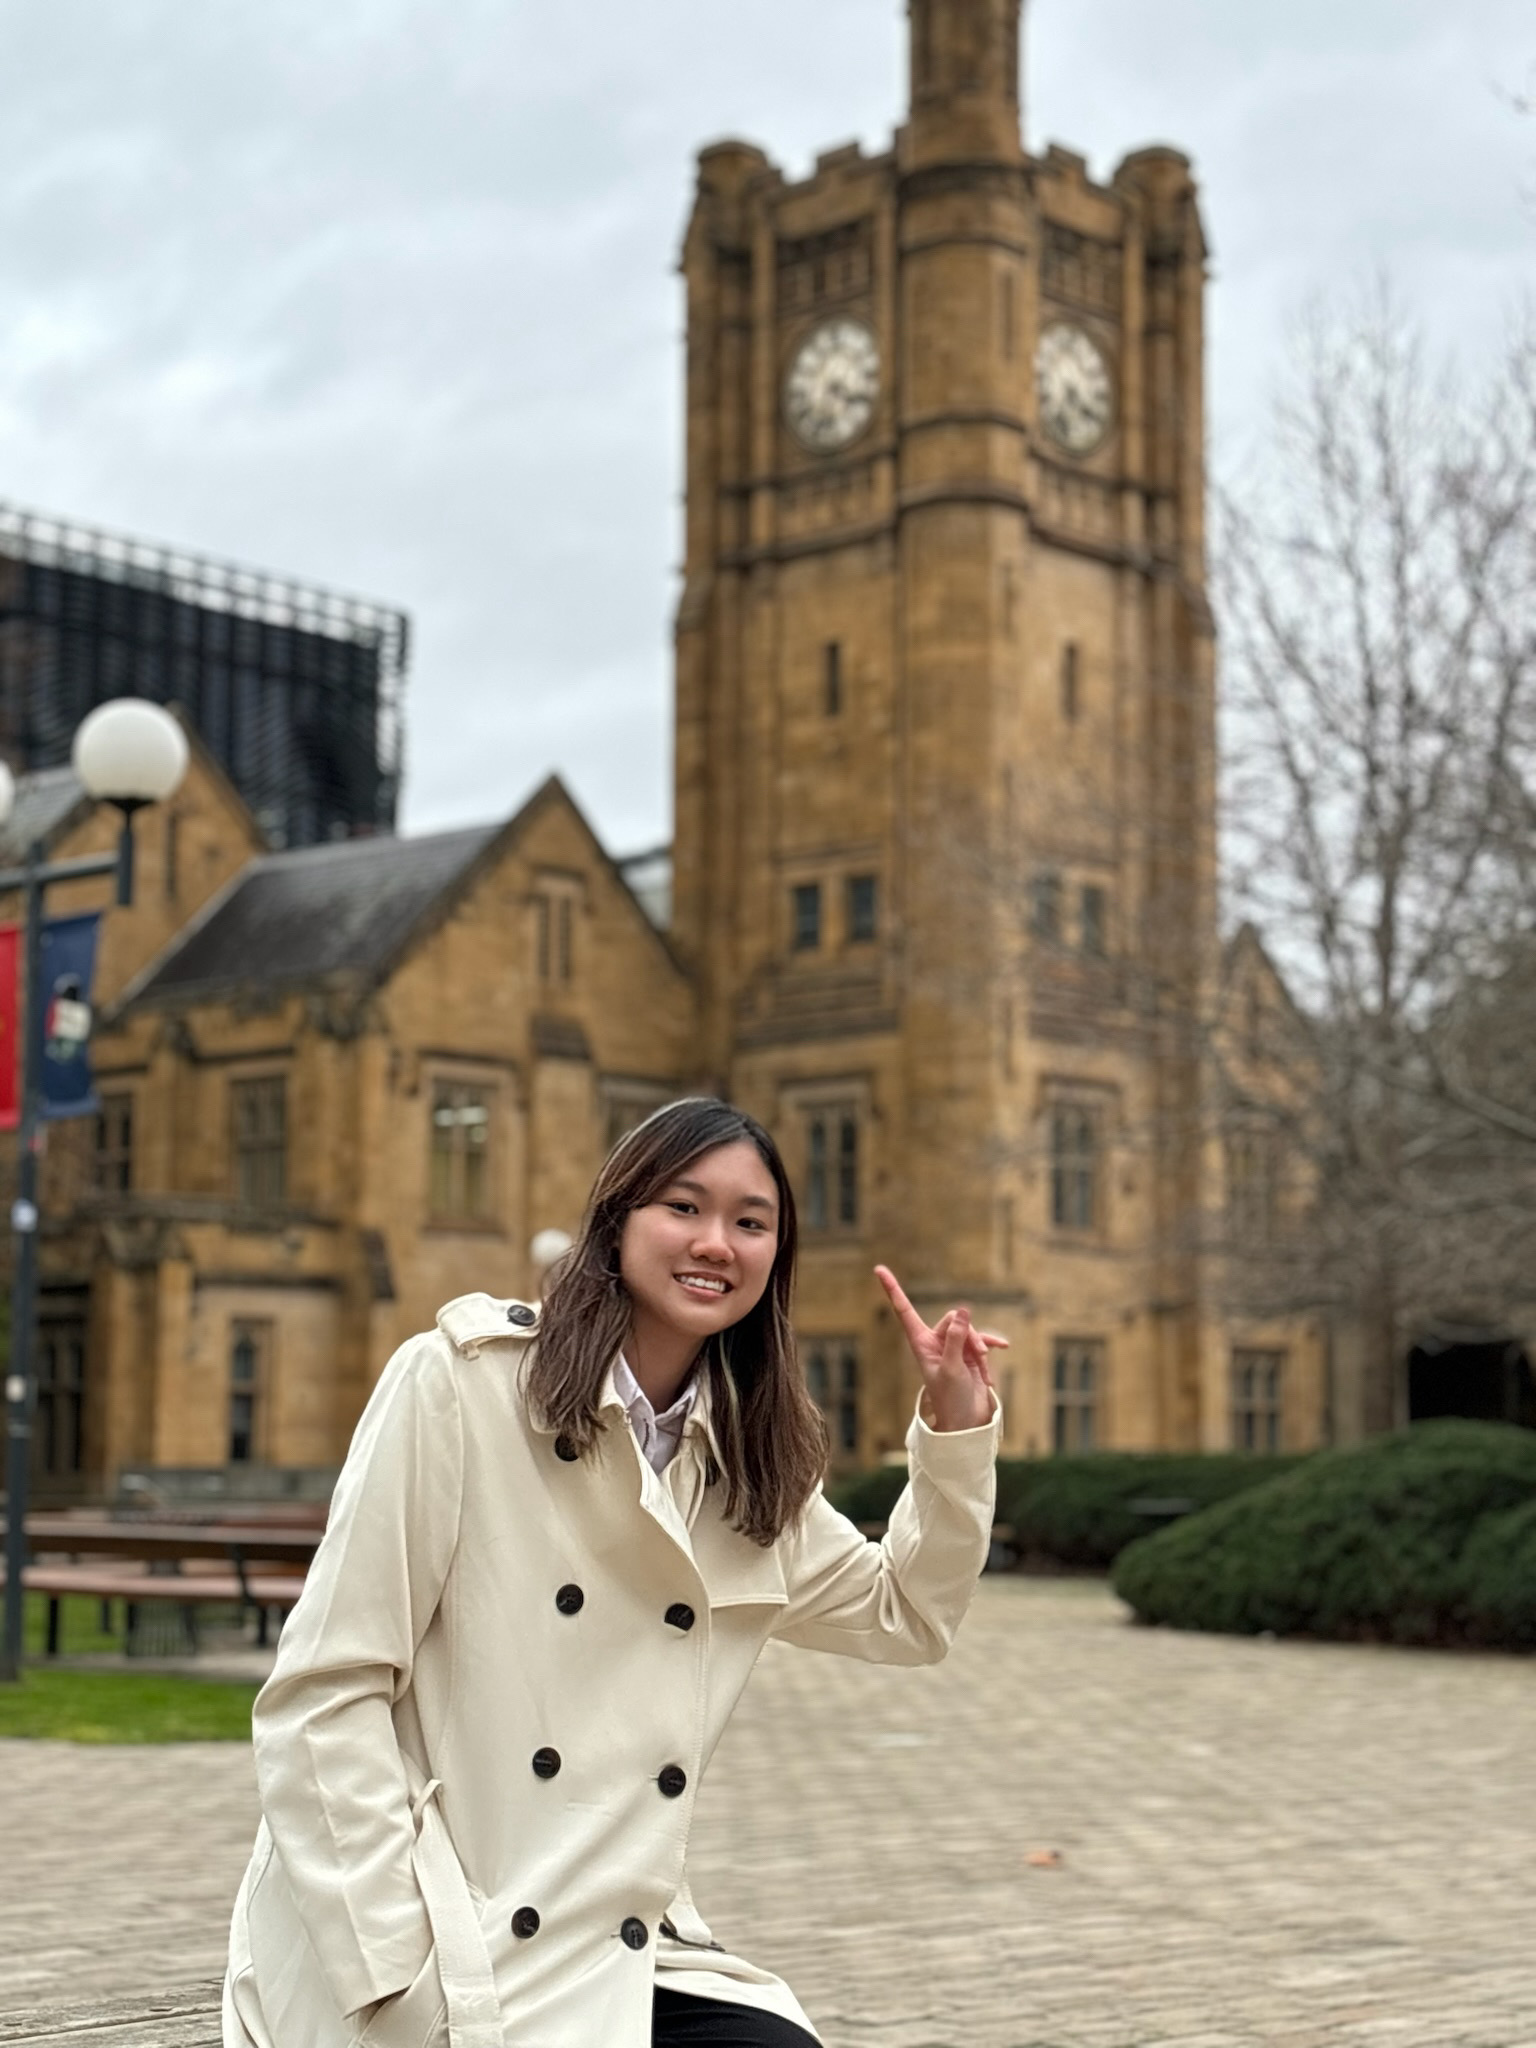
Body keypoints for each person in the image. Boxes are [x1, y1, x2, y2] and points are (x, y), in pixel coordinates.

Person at [223, 1097, 1002, 2048]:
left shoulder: (750, 1462)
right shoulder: (459, 1387)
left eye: (751, 1222)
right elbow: (321, 1696)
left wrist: (956, 1431)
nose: (717, 1242)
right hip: (423, 1923)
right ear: (617, 1220)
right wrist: (395, 1969)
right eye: (683, 1207)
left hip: (612, 1943)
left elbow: (906, 1614)